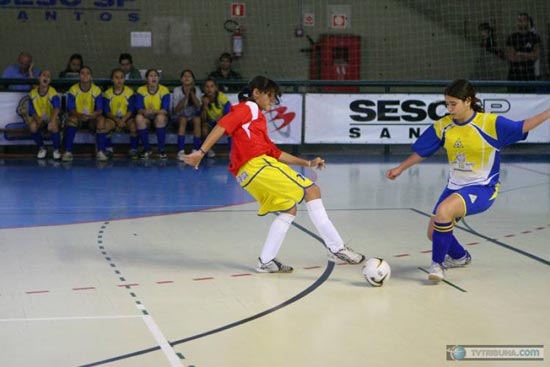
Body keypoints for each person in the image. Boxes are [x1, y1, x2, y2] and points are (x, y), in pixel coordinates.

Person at [183, 76, 365, 273]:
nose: (272, 100)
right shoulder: (249, 108)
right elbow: (222, 125)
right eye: (270, 95)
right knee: (312, 190)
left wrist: (307, 163)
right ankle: (336, 248)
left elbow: (276, 153)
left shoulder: (255, 122)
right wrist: (201, 152)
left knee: (289, 209)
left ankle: (266, 261)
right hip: (257, 166)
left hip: (246, 175)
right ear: (256, 93)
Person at [386, 79, 550, 282]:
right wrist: (400, 168)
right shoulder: (444, 126)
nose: (449, 108)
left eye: (453, 104)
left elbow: (523, 126)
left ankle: (437, 265)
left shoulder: (489, 123)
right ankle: (460, 257)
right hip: (454, 187)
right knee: (433, 232)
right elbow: (422, 152)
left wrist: (548, 112)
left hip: (483, 188)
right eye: (447, 104)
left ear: (468, 101)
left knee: (444, 212)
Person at [62, 66, 106, 162]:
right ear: (79, 76)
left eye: (87, 73)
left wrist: (92, 115)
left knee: (101, 120)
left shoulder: (96, 90)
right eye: (82, 73)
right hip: (78, 118)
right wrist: (80, 115)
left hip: (91, 119)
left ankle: (101, 152)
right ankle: (68, 152)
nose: (85, 75)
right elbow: (70, 109)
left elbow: (99, 110)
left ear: (91, 76)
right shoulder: (73, 90)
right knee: (71, 119)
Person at [135, 69, 170, 159]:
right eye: (151, 76)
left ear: (158, 78)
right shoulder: (141, 90)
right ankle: (147, 149)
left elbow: (165, 110)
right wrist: (144, 112)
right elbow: (139, 110)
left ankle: (161, 150)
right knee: (139, 118)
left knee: (160, 118)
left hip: (159, 117)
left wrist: (154, 112)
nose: (153, 77)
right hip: (147, 119)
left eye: (155, 75)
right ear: (146, 79)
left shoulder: (164, 90)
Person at [103, 68, 138, 159]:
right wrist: (117, 120)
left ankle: (134, 150)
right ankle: (108, 149)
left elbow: (131, 110)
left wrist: (123, 120)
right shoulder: (107, 94)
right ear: (112, 79)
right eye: (116, 77)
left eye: (121, 77)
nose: (119, 80)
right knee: (105, 125)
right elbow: (107, 111)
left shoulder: (129, 92)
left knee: (134, 125)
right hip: (113, 119)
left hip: (126, 119)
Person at [27, 70, 62, 160]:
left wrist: (52, 120)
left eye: (48, 76)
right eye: (44, 75)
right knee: (32, 126)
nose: (46, 77)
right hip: (40, 118)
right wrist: (37, 118)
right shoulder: (33, 93)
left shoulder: (53, 93)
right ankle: (42, 148)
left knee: (53, 125)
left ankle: (56, 150)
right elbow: (31, 110)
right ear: (39, 78)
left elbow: (57, 108)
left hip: (52, 117)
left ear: (50, 81)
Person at [170, 69, 202, 161]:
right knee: (183, 118)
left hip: (191, 118)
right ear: (181, 79)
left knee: (197, 120)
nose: (187, 78)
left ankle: (196, 150)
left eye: (189, 76)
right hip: (178, 119)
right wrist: (186, 96)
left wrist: (191, 93)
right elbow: (176, 110)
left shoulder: (197, 90)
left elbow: (198, 107)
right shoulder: (177, 90)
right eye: (184, 76)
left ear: (193, 80)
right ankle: (180, 150)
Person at [505, 13, 540, 91]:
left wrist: (520, 54)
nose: (522, 22)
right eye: (519, 20)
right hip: (514, 76)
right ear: (517, 22)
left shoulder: (534, 37)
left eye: (524, 20)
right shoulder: (512, 37)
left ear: (528, 22)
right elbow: (512, 58)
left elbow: (536, 56)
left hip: (529, 75)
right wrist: (529, 55)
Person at [200, 78, 231, 158]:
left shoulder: (221, 97)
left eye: (212, 86)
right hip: (211, 123)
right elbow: (203, 119)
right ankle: (208, 150)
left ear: (216, 88)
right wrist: (204, 106)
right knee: (204, 129)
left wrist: (221, 118)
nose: (209, 89)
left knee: (231, 128)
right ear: (204, 88)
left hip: (222, 122)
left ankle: (232, 151)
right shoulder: (202, 99)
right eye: (207, 87)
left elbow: (229, 112)